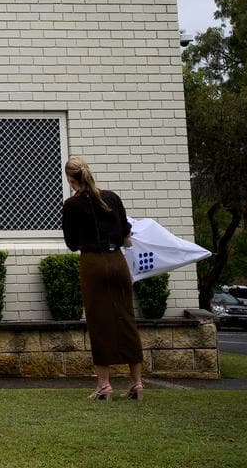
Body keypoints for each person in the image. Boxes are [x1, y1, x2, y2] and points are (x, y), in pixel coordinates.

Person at [60, 156, 144, 401]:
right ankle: (136, 382)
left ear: (71, 180)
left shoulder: (72, 205)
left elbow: (72, 244)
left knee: (99, 322)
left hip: (93, 263)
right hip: (117, 260)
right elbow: (126, 235)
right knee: (126, 318)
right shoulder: (112, 198)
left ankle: (104, 385)